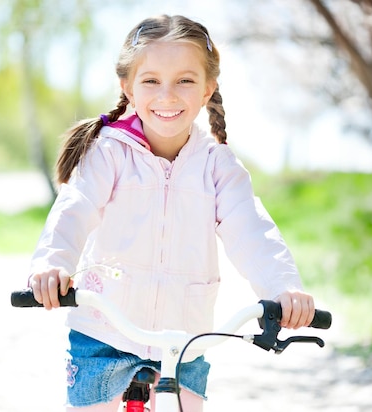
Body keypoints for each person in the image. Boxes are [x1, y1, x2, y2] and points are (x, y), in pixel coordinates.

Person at [28, 14, 315, 412]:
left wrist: (282, 288)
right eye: (151, 81)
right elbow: (75, 208)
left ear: (207, 89)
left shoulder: (218, 165)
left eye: (185, 80)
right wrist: (52, 265)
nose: (168, 95)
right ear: (127, 87)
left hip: (185, 339)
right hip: (104, 334)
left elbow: (251, 229)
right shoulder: (109, 153)